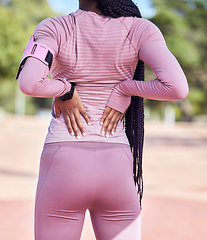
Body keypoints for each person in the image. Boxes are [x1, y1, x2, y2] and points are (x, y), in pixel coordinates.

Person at [16, 0, 189, 239]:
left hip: (63, 164)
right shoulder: (140, 29)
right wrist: (125, 88)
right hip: (116, 164)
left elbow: (29, 82)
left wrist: (66, 89)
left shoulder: (54, 27)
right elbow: (177, 88)